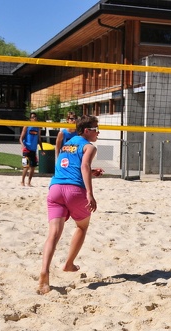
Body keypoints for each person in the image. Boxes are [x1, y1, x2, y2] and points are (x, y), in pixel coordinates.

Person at [37, 115, 104, 295]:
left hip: (56, 189)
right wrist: (90, 193)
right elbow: (83, 166)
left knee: (53, 235)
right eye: (96, 128)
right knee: (82, 226)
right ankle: (68, 263)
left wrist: (92, 172)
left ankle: (44, 271)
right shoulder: (89, 146)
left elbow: (71, 166)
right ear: (87, 131)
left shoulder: (67, 143)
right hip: (75, 191)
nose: (98, 132)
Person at [19, 112, 41, 186]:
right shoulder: (27, 126)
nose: (34, 118)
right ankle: (22, 181)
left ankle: (29, 182)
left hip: (33, 150)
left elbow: (39, 139)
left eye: (35, 117)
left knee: (33, 167)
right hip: (26, 149)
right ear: (30, 118)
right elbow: (21, 138)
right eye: (32, 117)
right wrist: (22, 145)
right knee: (26, 166)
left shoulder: (38, 127)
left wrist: (42, 149)